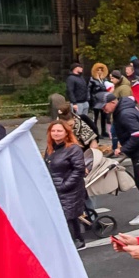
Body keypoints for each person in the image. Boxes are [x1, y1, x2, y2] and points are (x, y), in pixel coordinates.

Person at [102, 93, 139, 225]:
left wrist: (124, 148)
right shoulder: (123, 109)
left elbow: (137, 135)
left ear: (113, 103)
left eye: (104, 106)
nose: (103, 109)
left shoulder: (125, 114)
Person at [45, 121, 88, 249]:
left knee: (70, 215)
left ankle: (78, 240)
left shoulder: (73, 149)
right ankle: (67, 240)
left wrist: (65, 185)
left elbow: (79, 169)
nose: (56, 134)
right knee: (61, 215)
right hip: (55, 187)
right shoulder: (50, 148)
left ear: (66, 133)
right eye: (53, 131)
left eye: (59, 131)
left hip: (70, 188)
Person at [89, 63, 110, 138]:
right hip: (95, 100)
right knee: (95, 117)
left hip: (103, 100)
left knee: (104, 116)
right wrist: (90, 101)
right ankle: (96, 132)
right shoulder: (92, 79)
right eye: (98, 70)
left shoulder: (105, 79)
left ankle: (103, 131)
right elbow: (89, 90)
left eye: (101, 70)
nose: (100, 71)